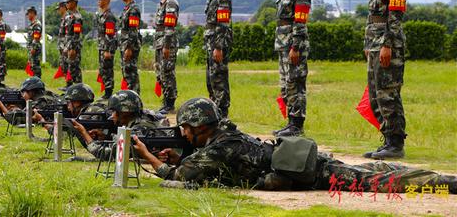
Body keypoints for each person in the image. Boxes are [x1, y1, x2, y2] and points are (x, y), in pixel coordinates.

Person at [132, 98, 457, 193]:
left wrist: (147, 156)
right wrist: (178, 155)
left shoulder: (218, 147)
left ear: (201, 126)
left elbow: (179, 176)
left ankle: (448, 184)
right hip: (305, 163)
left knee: (384, 182)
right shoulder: (222, 137)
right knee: (377, 170)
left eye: (187, 128)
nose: (184, 133)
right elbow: (196, 162)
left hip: (312, 172)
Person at [362, 0, 409, 160]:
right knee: (375, 94)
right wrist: (368, 42)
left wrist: (387, 44)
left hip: (387, 42)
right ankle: (387, 139)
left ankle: (395, 143)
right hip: (374, 41)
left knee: (388, 92)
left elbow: (395, 15)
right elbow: (372, 15)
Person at [273, 0, 311, 137]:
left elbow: (300, 22)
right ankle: (290, 122)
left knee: (295, 84)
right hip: (283, 45)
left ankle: (296, 124)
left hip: (293, 46)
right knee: (286, 85)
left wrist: (295, 47)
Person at [72, 90, 158, 160]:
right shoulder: (138, 121)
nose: (112, 116)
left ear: (125, 112)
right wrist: (107, 136)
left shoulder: (140, 127)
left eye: (114, 111)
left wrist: (84, 133)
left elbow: (106, 154)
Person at [202, 0, 233, 118]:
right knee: (211, 79)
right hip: (210, 44)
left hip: (217, 45)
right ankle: (215, 111)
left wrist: (218, 47)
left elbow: (223, 24)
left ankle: (223, 113)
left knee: (219, 78)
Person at [153, 0, 180, 114]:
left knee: (167, 72)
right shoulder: (163, 2)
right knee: (161, 73)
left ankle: (170, 103)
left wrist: (167, 46)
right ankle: (165, 101)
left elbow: (169, 26)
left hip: (166, 43)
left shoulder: (171, 2)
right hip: (160, 42)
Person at [118, 0, 142, 94]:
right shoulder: (126, 8)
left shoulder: (133, 9)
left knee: (131, 71)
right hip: (124, 44)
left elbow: (133, 31)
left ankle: (134, 96)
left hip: (130, 45)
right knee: (126, 71)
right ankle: (129, 95)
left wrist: (129, 48)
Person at [95, 0, 118, 99]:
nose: (99, 1)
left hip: (107, 48)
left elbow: (110, 34)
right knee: (103, 69)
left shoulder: (109, 16)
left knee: (107, 69)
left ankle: (108, 93)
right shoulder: (101, 15)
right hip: (102, 46)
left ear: (107, 0)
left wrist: (108, 50)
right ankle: (106, 91)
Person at [64, 0, 84, 85]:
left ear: (74, 3)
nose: (67, 4)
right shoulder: (70, 16)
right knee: (70, 66)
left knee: (75, 67)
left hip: (74, 46)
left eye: (68, 2)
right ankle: (70, 87)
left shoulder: (77, 17)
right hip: (69, 45)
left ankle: (79, 87)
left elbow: (76, 35)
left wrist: (72, 48)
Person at [26, 6, 42, 78]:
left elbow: (36, 37)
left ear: (33, 13)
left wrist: (34, 48)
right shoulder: (31, 24)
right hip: (31, 48)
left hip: (35, 48)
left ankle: (38, 80)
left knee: (35, 66)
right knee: (32, 66)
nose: (28, 15)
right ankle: (34, 81)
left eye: (29, 13)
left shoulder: (36, 24)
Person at [56, 0, 69, 86]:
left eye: (59, 8)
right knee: (64, 65)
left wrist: (67, 47)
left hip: (65, 46)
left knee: (67, 65)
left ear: (64, 7)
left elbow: (68, 34)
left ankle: (69, 84)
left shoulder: (68, 18)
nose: (58, 10)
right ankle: (67, 84)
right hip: (62, 46)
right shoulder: (63, 19)